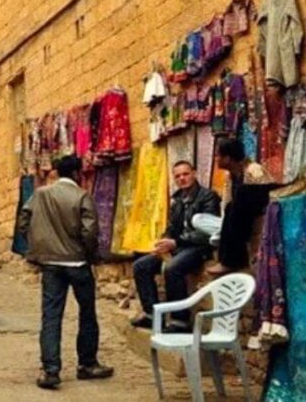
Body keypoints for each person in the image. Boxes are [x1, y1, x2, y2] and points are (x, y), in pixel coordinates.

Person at [17, 155, 114, 390]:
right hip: (78, 263)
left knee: (51, 316)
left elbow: (23, 222)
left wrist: (38, 244)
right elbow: (89, 233)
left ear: (58, 172)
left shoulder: (40, 194)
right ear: (77, 173)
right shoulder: (82, 196)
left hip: (50, 264)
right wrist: (92, 256)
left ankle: (50, 370)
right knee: (87, 312)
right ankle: (87, 364)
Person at [130, 161, 221, 333]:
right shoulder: (177, 199)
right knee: (141, 266)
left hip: (198, 247)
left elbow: (207, 231)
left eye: (185, 174)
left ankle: (180, 321)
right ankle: (152, 316)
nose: (182, 179)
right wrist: (164, 242)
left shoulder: (208, 197)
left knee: (172, 268)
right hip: (178, 246)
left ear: (194, 173)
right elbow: (172, 228)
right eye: (178, 176)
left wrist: (176, 242)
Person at [207, 138, 273, 275]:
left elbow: (266, 198)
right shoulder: (230, 177)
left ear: (228, 158)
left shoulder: (254, 170)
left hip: (256, 216)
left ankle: (230, 260)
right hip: (236, 220)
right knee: (199, 218)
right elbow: (225, 204)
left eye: (218, 155)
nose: (216, 159)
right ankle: (224, 251)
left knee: (241, 196)